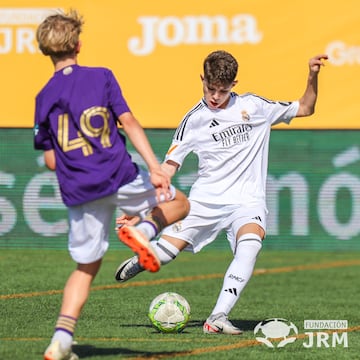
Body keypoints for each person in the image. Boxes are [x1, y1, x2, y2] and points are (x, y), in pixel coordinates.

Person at [115, 50, 328, 335]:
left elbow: (305, 107)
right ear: (202, 79)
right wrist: (140, 209)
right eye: (210, 88)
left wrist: (312, 75)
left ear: (234, 84)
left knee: (250, 244)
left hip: (247, 200)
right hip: (204, 202)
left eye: (223, 90)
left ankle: (217, 317)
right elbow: (168, 167)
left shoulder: (254, 106)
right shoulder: (194, 120)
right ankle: (142, 259)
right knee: (164, 255)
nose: (215, 96)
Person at [34, 9, 189, 360]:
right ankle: (145, 231)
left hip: (80, 190)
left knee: (85, 268)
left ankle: (60, 341)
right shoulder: (101, 77)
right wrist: (155, 167)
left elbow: (49, 159)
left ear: (46, 51)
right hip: (117, 173)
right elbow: (129, 121)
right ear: (78, 43)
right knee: (180, 203)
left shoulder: (43, 96)